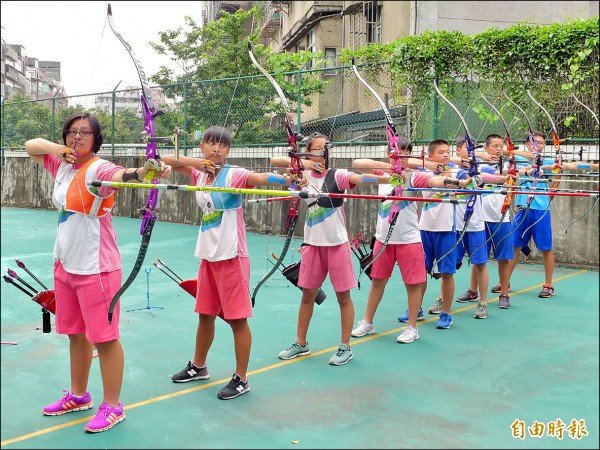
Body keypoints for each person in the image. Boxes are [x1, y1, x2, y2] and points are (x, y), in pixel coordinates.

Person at [25, 111, 172, 433]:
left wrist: (145, 171)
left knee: (104, 339)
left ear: (96, 139)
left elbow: (122, 175)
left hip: (97, 268)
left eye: (84, 133)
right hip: (65, 262)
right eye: (71, 132)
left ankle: (113, 406)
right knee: (76, 335)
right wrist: (54, 147)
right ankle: (78, 396)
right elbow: (30, 145)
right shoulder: (61, 165)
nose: (76, 138)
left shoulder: (99, 168)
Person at [162, 126, 292, 400]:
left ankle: (242, 378)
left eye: (222, 145)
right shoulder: (198, 172)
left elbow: (260, 177)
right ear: (202, 146)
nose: (216, 149)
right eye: (211, 144)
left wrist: (287, 180)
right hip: (209, 255)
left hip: (232, 255)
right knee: (205, 314)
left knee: (237, 320)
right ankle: (199, 366)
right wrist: (198, 164)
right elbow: (168, 159)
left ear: (228, 150)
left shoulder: (235, 173)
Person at [270, 133, 393, 365]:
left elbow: (359, 177)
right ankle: (301, 343)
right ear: (306, 153)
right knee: (308, 295)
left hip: (336, 245)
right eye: (315, 150)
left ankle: (345, 347)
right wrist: (304, 166)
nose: (320, 154)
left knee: (342, 297)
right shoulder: (302, 175)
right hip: (313, 245)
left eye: (324, 150)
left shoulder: (337, 175)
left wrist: (387, 179)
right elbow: (275, 161)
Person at [350, 138, 472, 343]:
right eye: (396, 154)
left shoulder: (414, 177)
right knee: (378, 282)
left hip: (408, 240)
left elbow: (435, 181)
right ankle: (367, 322)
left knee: (413, 284)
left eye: (404, 154)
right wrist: (392, 168)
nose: (400, 158)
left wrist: (460, 183)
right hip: (383, 240)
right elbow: (358, 164)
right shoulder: (382, 176)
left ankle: (412, 327)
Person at [454, 135, 517, 317]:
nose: (498, 149)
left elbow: (510, 176)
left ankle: (504, 292)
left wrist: (510, 176)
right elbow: (460, 160)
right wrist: (480, 158)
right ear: (486, 148)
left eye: (501, 146)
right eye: (495, 146)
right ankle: (472, 290)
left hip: (501, 217)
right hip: (480, 218)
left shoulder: (506, 165)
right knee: (478, 258)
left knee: (503, 258)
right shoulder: (476, 165)